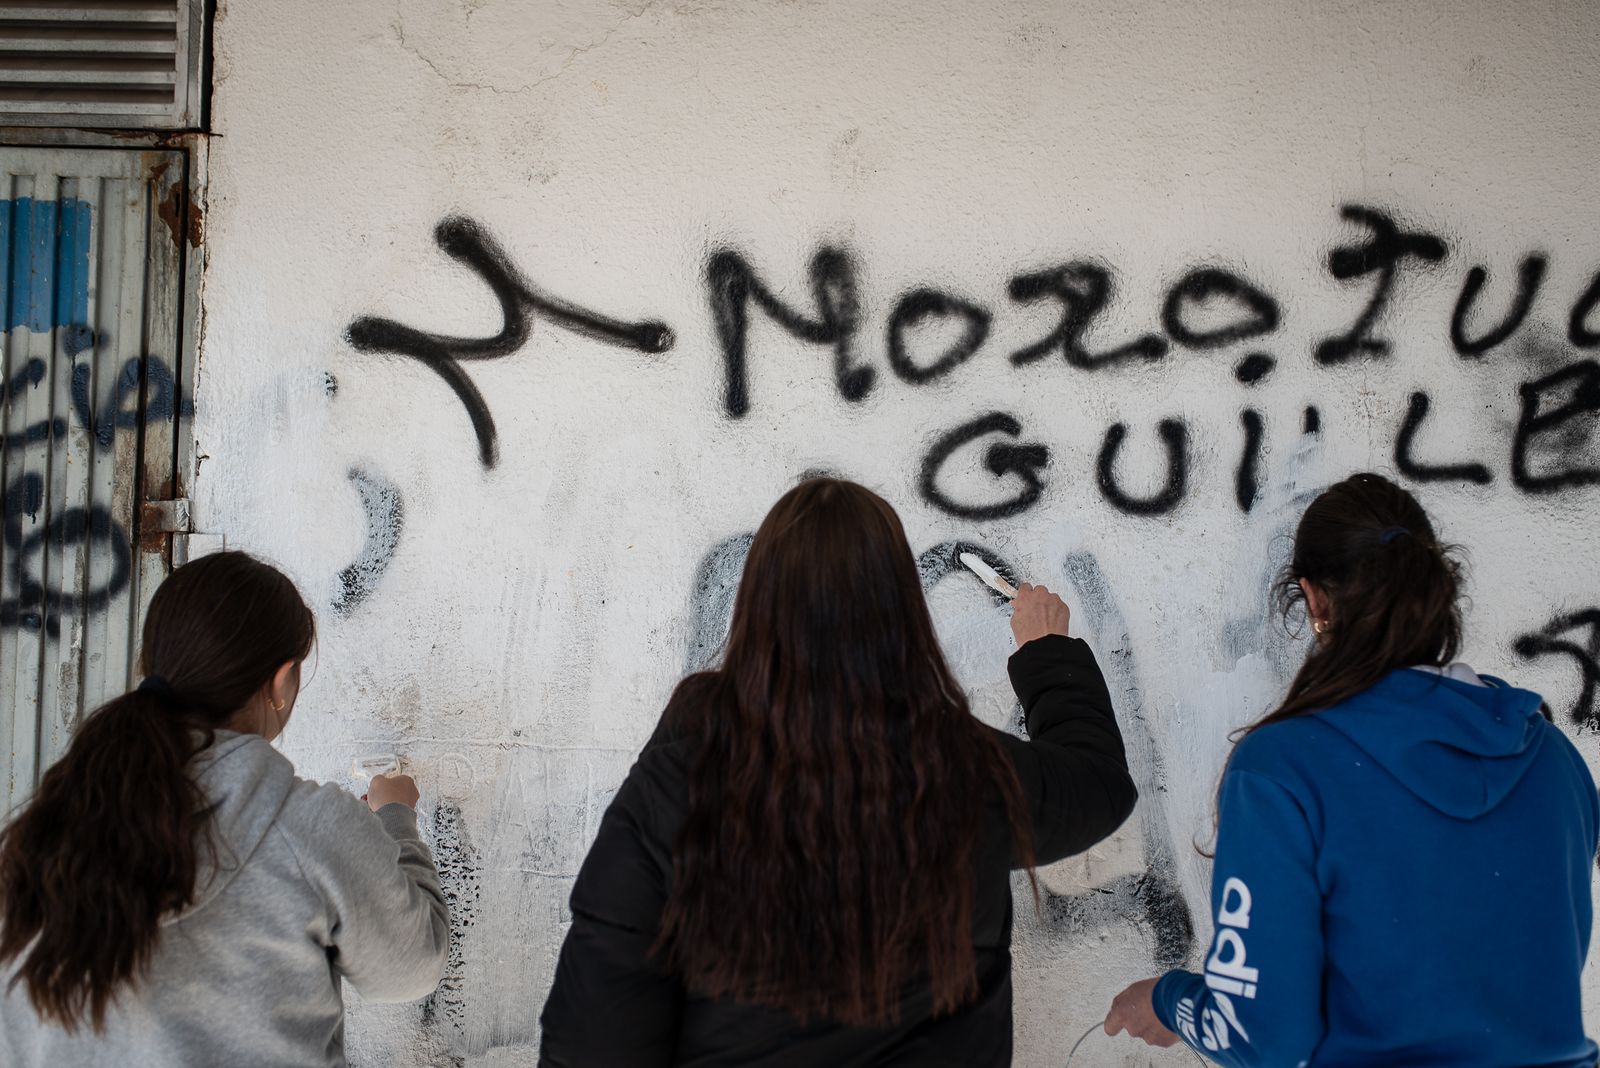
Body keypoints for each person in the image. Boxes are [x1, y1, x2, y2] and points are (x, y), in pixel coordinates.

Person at [539, 477, 1138, 1066]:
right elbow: (1099, 787)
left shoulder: (676, 784)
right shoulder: (963, 771)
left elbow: (595, 1039)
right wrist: (1047, 653)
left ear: (757, 603)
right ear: (901, 610)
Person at [1105, 473, 1600, 1066]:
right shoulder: (1551, 754)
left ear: (1314, 600)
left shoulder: (1282, 769)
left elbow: (1260, 1035)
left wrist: (1167, 1001)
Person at [0, 551, 450, 1067]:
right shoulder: (310, 829)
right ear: (281, 682)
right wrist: (396, 819)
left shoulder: (37, 836)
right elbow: (413, 966)